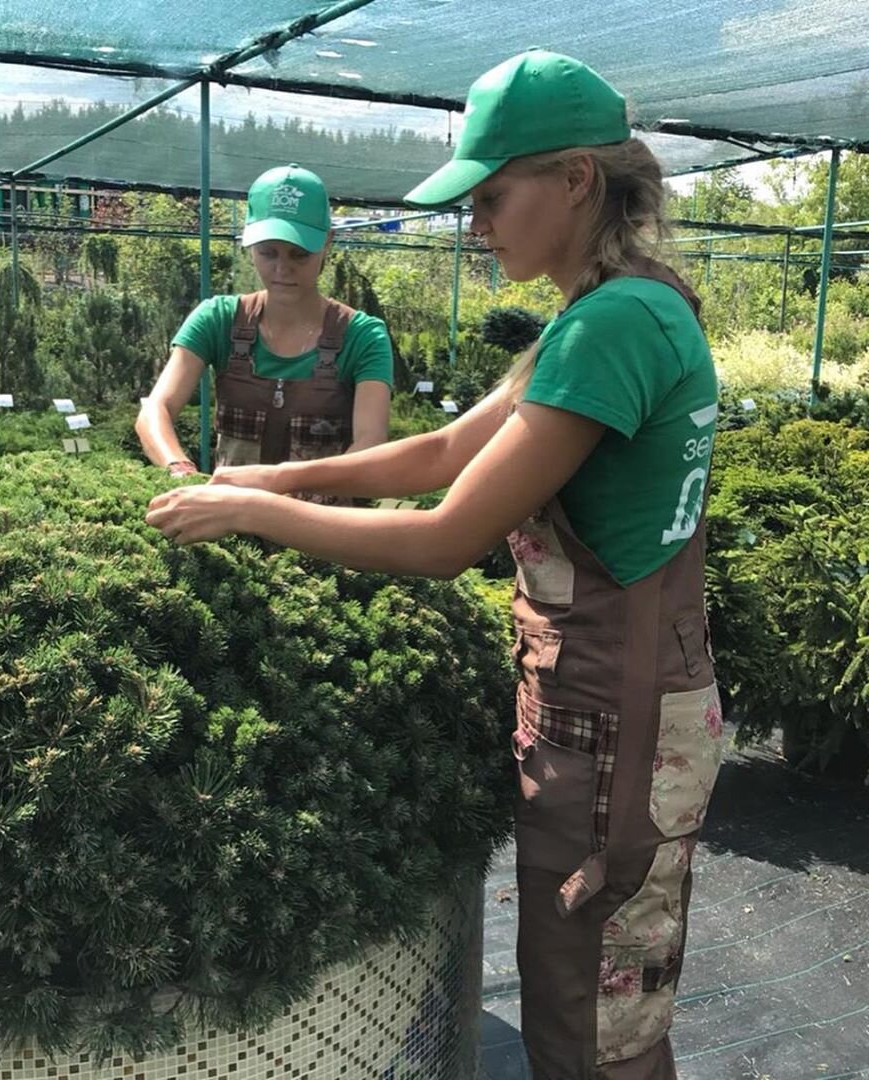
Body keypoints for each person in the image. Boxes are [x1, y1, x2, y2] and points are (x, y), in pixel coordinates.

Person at [145, 49, 721, 1080]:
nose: (478, 225)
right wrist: (274, 484)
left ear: (578, 179)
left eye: (493, 197)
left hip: (616, 729)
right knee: (597, 1013)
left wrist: (248, 515)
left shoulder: (615, 323)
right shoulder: (604, 309)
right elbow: (444, 452)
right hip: (603, 706)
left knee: (593, 1035)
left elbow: (446, 534)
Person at [135, 163, 393, 483]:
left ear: (328, 241)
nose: (282, 269)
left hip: (323, 526)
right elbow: (155, 410)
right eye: (268, 253)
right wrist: (180, 470)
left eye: (299, 254)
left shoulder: (362, 336)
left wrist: (281, 487)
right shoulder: (218, 320)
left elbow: (371, 443)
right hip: (231, 523)